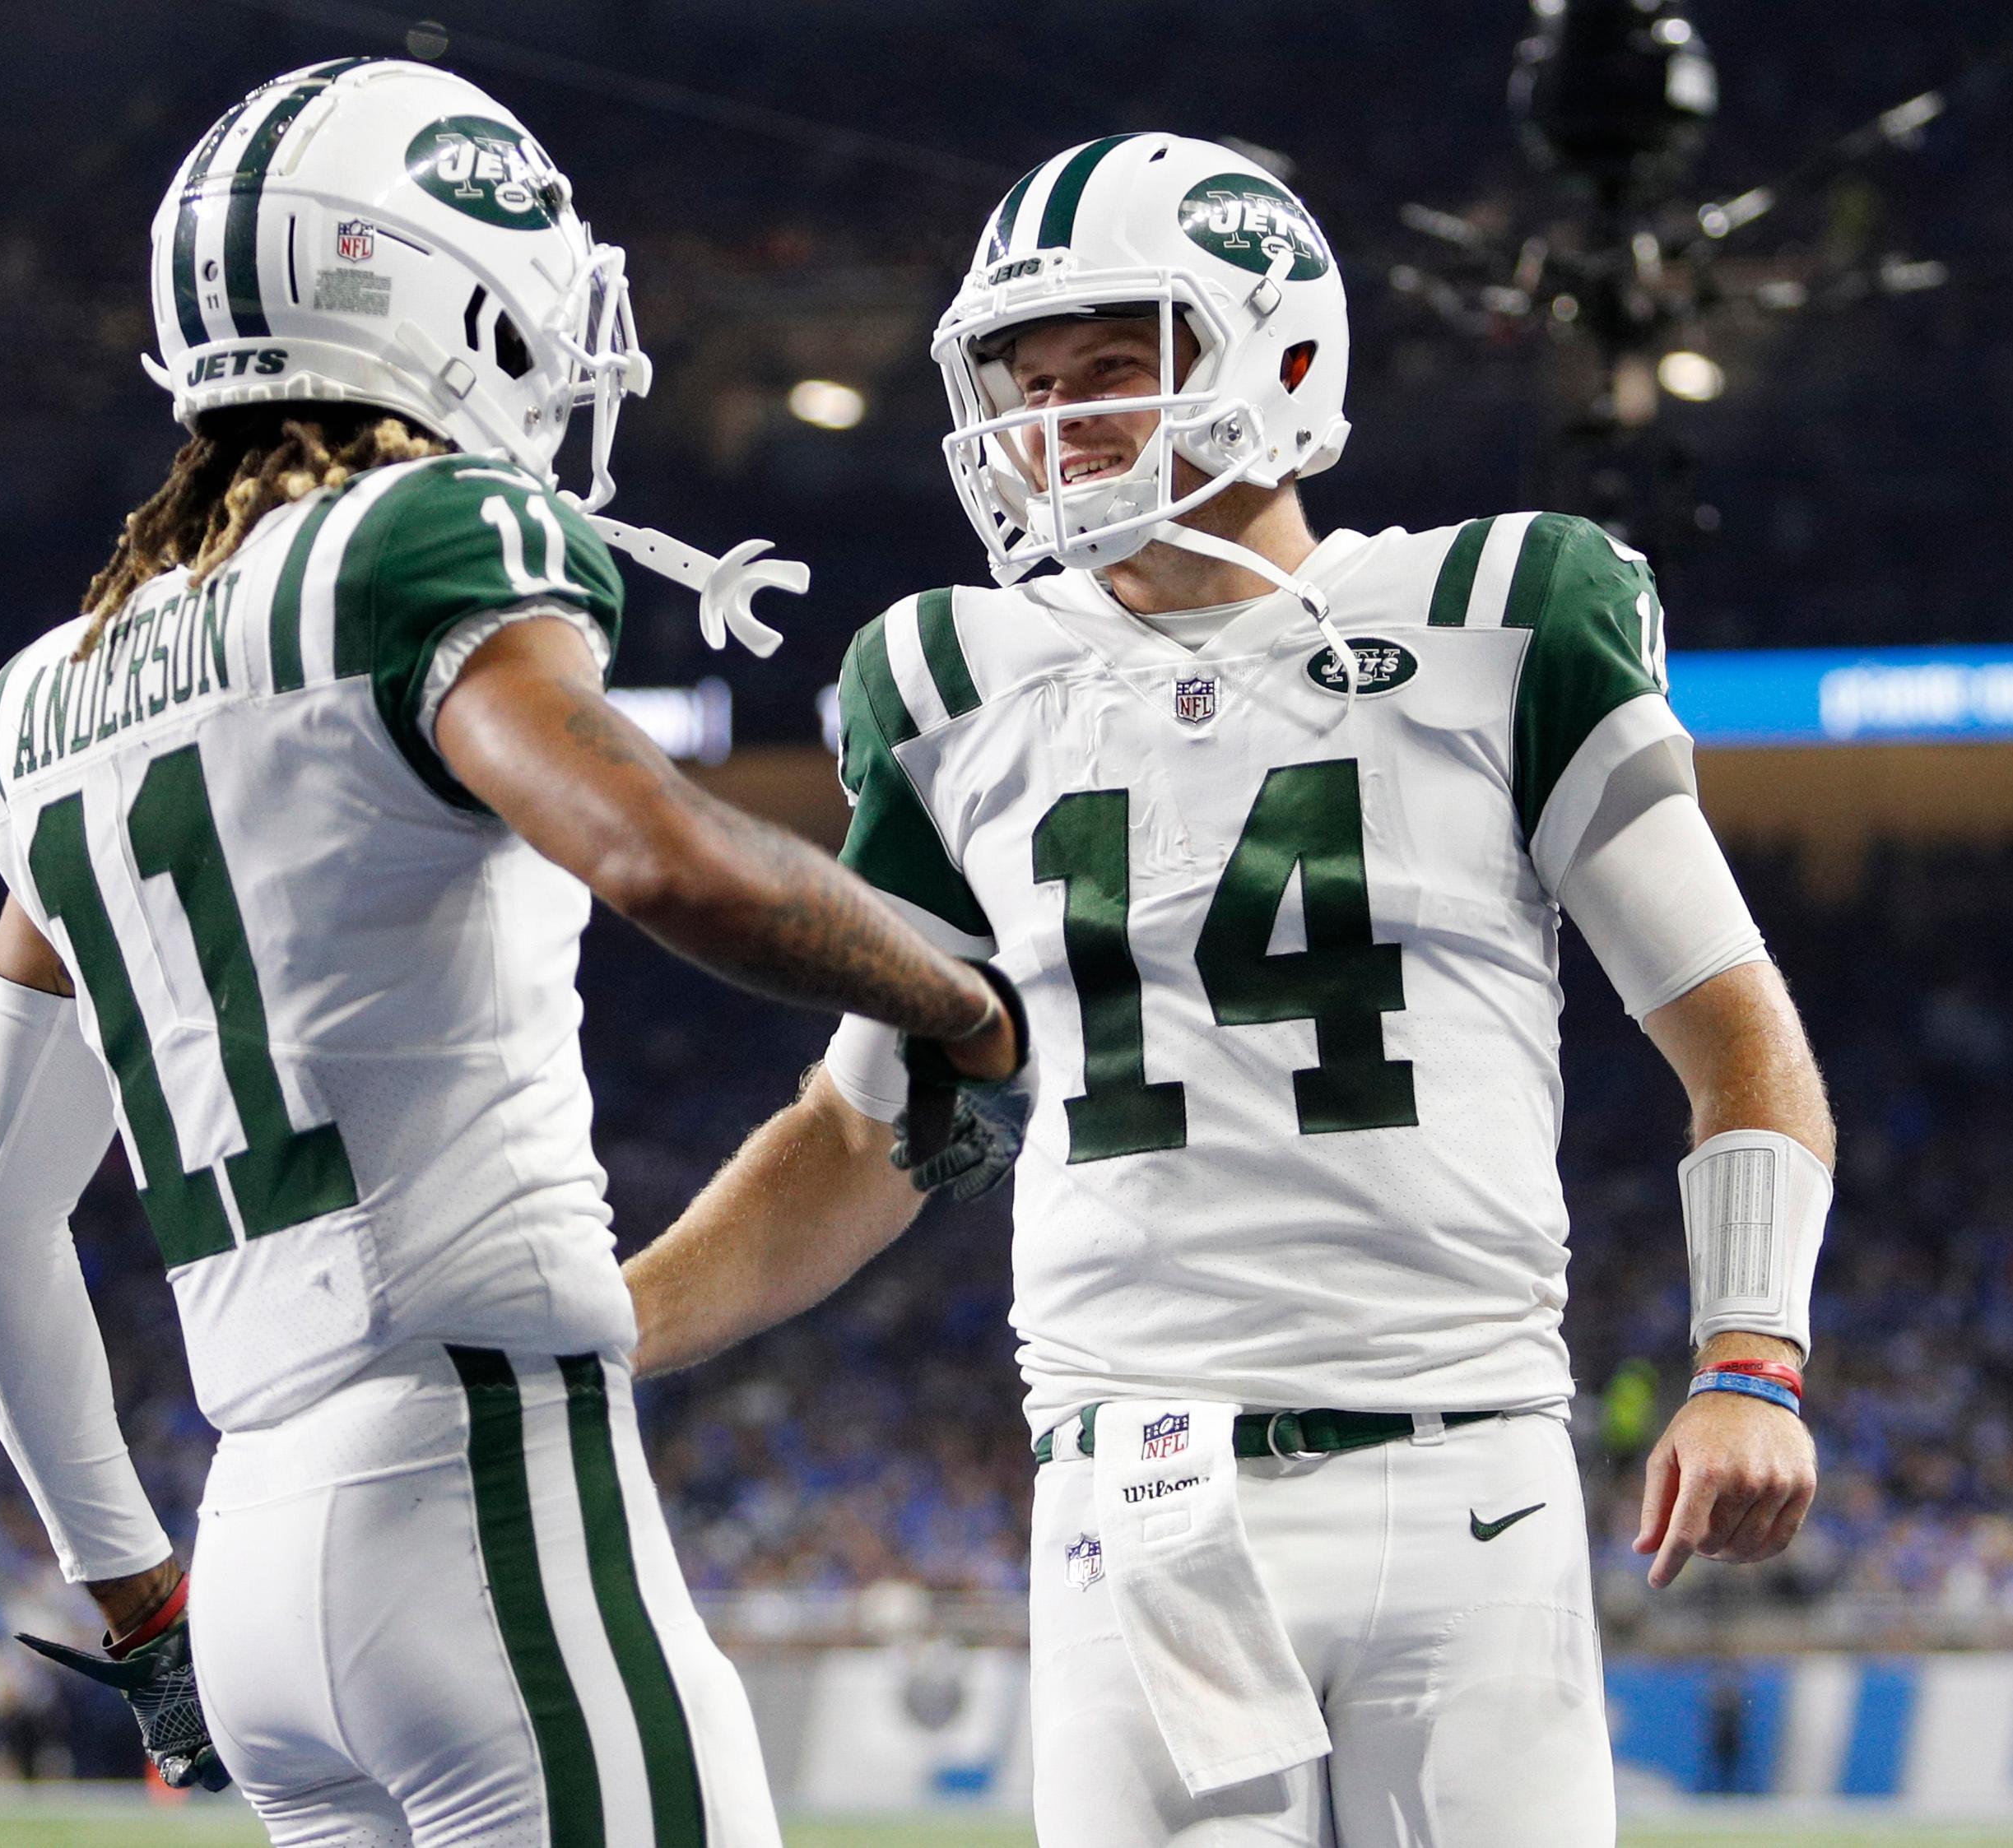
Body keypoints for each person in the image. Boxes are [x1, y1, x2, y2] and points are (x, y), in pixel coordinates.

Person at [622, 133, 1833, 1846]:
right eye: (1024, 381)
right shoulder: (952, 680)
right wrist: (611, 1335)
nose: (1056, 422)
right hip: (1138, 1490)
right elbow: (862, 1129)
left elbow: (1736, 1038)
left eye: (1111, 368)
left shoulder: (1495, 612)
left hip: (1458, 1461)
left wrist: (1747, 1355)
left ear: (1274, 358)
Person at [0, 58, 1020, 1848]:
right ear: (434, 287)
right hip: (475, 1487)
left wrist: (136, 1606)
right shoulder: (427, 539)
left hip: (250, 1537)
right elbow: (654, 855)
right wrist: (954, 1001)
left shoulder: (45, 699)